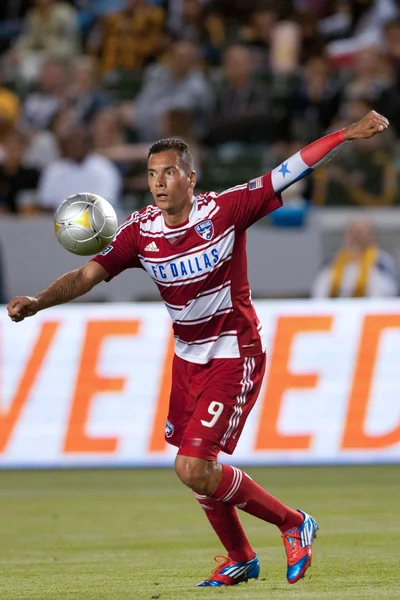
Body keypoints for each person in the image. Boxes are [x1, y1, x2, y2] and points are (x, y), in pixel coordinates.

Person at [7, 110, 389, 587]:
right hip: (188, 360)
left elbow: (291, 169)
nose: (159, 183)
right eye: (151, 174)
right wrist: (40, 301)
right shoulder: (140, 232)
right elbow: (87, 275)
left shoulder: (226, 209)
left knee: (192, 465)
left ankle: (293, 522)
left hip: (235, 352)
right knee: (193, 469)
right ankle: (240, 558)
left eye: (169, 172)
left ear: (191, 176)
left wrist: (346, 134)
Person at [311, 217, 398, 298]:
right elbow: (319, 292)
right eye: (353, 232)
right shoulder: (331, 261)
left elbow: (389, 292)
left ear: (371, 236)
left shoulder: (381, 262)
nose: (356, 237)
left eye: (361, 232)